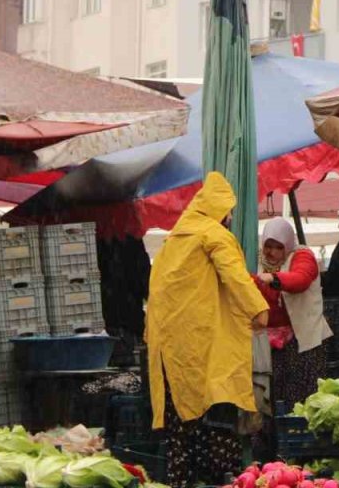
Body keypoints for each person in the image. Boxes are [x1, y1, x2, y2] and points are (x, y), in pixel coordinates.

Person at [146, 172, 270, 488]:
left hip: (167, 354)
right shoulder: (213, 234)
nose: (230, 217)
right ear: (218, 210)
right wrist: (257, 309)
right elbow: (235, 276)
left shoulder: (173, 240)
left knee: (181, 436)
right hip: (201, 350)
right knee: (216, 429)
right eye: (228, 210)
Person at [254, 218, 333, 407]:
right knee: (273, 398)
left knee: (302, 401)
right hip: (272, 343)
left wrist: (272, 278)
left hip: (305, 343)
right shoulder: (256, 259)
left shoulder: (303, 256)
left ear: (288, 245)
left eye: (278, 247)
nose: (271, 252)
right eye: (268, 246)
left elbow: (301, 279)